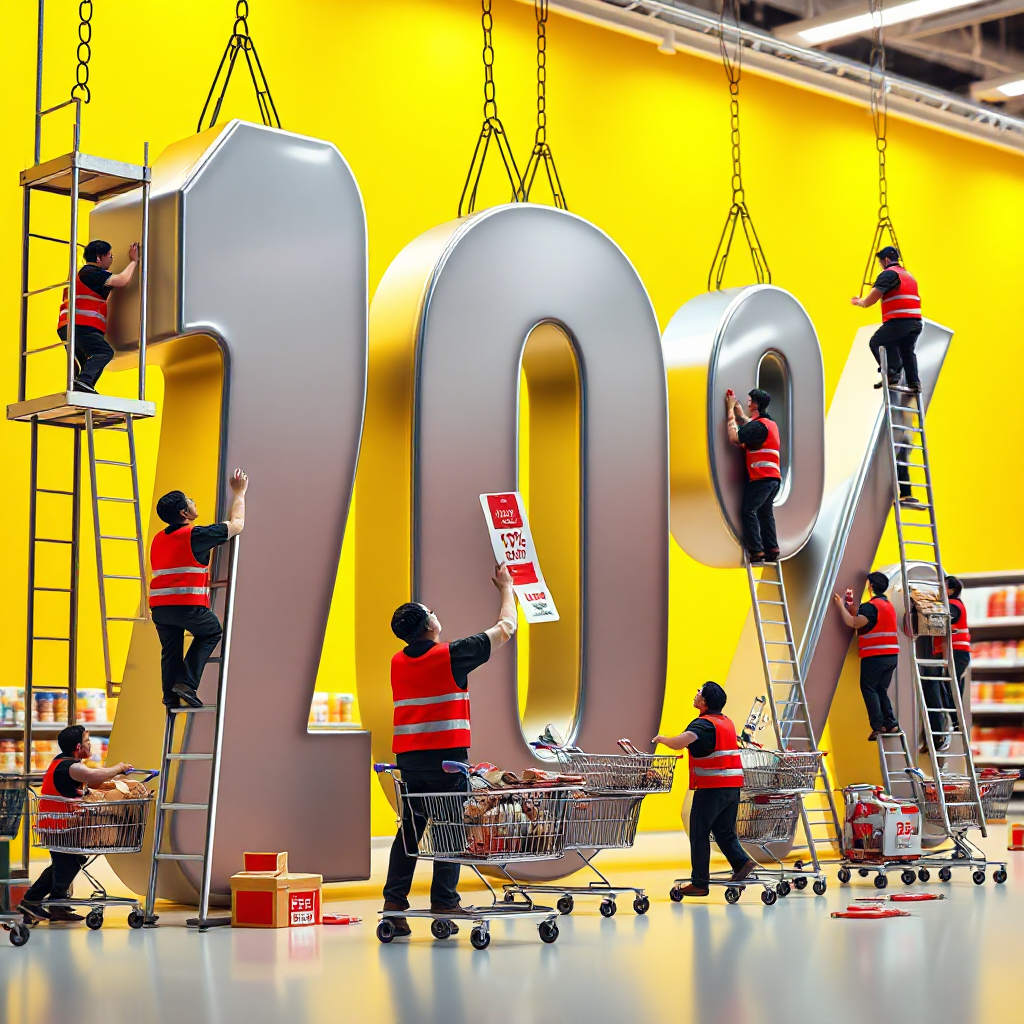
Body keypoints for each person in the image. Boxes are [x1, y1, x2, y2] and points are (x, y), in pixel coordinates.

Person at [382, 563, 517, 935]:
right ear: (428, 625)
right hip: (446, 760)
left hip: (408, 759)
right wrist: (506, 588)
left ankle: (394, 903)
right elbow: (506, 628)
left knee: (410, 828)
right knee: (450, 826)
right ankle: (444, 900)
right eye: (431, 612)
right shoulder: (449, 655)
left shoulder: (397, 661)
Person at [150, 470, 247, 708]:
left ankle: (170, 695)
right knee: (212, 631)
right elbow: (238, 524)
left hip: (160, 609)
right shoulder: (196, 535)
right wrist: (239, 493)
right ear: (184, 513)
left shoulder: (158, 538)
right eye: (190, 500)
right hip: (187, 606)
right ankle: (186, 683)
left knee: (170, 651)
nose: (194, 502)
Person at [19, 725, 134, 923]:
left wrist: (113, 777)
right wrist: (119, 768)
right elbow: (93, 775)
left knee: (68, 861)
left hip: (57, 823)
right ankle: (52, 902)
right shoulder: (70, 766)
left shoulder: (62, 763)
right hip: (60, 825)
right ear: (78, 746)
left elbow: (92, 777)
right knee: (68, 862)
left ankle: (36, 902)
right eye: (88, 741)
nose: (90, 745)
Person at [653, 681, 754, 898]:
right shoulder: (726, 722)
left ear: (705, 701)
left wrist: (662, 739)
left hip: (711, 789)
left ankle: (699, 883)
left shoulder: (704, 725)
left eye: (700, 692)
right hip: (732, 788)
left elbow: (680, 742)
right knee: (723, 831)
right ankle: (742, 864)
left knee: (699, 833)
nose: (696, 694)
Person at [56, 239, 140, 394]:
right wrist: (134, 261)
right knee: (103, 352)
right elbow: (122, 280)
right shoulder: (92, 273)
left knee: (85, 362)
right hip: (81, 325)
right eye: (110, 255)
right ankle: (84, 382)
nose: (112, 259)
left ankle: (82, 388)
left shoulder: (82, 275)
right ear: (99, 258)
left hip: (67, 325)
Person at [833, 571, 901, 740]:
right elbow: (866, 621)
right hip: (891, 656)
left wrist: (840, 605)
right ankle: (891, 724)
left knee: (869, 688)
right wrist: (853, 609)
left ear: (871, 585)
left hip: (875, 655)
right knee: (881, 689)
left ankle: (877, 726)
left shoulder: (871, 606)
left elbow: (854, 623)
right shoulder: (887, 605)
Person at [850, 245, 922, 394]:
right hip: (915, 322)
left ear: (887, 260)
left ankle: (891, 373)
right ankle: (914, 382)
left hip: (899, 321)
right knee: (906, 350)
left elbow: (872, 298)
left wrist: (860, 302)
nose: (881, 265)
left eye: (881, 262)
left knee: (876, 342)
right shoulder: (908, 275)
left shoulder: (889, 274)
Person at [726, 387, 780, 564]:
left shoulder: (758, 426)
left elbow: (735, 438)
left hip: (761, 477)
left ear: (755, 404)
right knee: (765, 512)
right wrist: (741, 413)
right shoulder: (769, 423)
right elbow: (753, 427)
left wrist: (730, 411)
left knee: (749, 511)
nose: (748, 404)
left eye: (749, 401)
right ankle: (772, 548)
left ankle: (757, 551)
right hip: (773, 478)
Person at [921, 575, 972, 752]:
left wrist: (924, 614)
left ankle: (956, 722)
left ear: (950, 590)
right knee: (948, 688)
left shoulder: (953, 605)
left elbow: (942, 620)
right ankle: (955, 723)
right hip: (953, 653)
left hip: (957, 653)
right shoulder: (954, 604)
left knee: (951, 688)